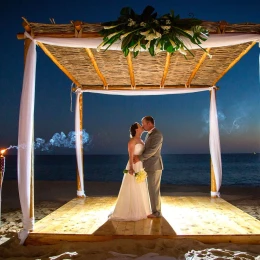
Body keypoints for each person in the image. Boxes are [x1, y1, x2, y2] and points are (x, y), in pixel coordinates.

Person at [109, 122, 151, 221]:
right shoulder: (132, 141)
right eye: (140, 126)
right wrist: (131, 168)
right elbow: (131, 155)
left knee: (141, 186)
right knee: (133, 186)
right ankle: (131, 210)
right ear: (136, 129)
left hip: (140, 165)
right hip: (134, 165)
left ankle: (143, 209)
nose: (142, 127)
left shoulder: (141, 140)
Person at [134, 116, 163, 218]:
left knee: (154, 189)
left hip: (154, 166)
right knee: (151, 189)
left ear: (149, 123)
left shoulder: (157, 135)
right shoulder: (149, 135)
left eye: (144, 123)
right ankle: (154, 210)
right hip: (149, 166)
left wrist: (139, 158)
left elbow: (152, 151)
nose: (142, 126)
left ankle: (157, 212)